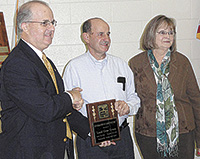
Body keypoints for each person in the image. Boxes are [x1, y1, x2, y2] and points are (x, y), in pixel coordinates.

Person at [0, 1, 90, 159]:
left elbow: (61, 108)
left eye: (52, 22)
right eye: (44, 23)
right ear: (25, 26)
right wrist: (70, 97)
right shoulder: (17, 64)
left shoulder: (43, 61)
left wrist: (93, 132)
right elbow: (45, 109)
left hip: (51, 150)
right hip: (28, 153)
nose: (52, 28)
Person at [63, 17, 140, 159]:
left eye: (108, 34)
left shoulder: (121, 65)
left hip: (122, 139)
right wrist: (93, 133)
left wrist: (128, 106)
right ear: (86, 37)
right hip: (89, 141)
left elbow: (134, 97)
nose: (106, 39)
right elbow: (67, 108)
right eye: (100, 34)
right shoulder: (74, 68)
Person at [129, 15, 200, 159]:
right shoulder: (136, 63)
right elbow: (131, 97)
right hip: (148, 132)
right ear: (151, 35)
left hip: (183, 132)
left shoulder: (182, 61)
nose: (168, 36)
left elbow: (196, 100)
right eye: (162, 32)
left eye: (171, 32)